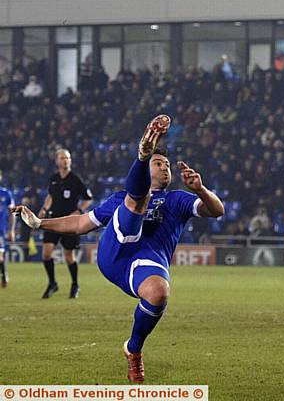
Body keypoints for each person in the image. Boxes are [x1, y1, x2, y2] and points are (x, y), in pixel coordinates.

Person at [13, 115, 225, 383]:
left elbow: (217, 211)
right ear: (146, 170)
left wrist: (202, 189)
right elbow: (80, 223)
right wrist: (39, 222)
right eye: (158, 163)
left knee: (159, 293)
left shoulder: (178, 199)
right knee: (135, 202)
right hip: (114, 254)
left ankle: (133, 350)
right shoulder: (117, 200)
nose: (165, 168)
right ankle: (142, 155)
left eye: (167, 164)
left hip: (146, 262)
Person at [38, 148, 93, 299]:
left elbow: (88, 198)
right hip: (54, 220)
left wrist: (79, 210)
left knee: (69, 255)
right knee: (46, 253)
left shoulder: (76, 179)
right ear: (56, 161)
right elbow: (50, 196)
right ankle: (52, 283)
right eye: (62, 158)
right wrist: (44, 209)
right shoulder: (54, 178)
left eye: (68, 158)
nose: (66, 160)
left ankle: (75, 285)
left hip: (69, 222)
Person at [0, 170, 16, 287]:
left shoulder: (6, 194)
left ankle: (4, 273)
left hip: (0, 230)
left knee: (0, 256)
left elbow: (13, 213)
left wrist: (12, 230)